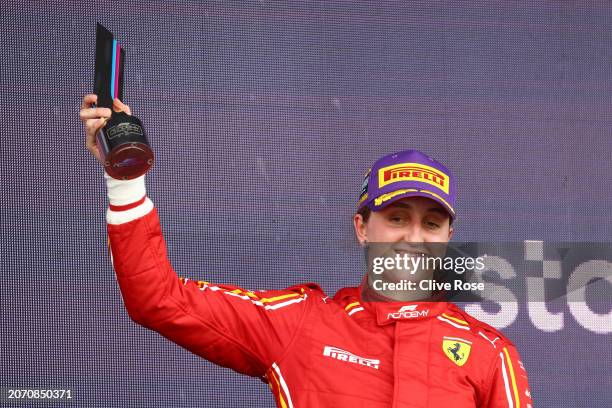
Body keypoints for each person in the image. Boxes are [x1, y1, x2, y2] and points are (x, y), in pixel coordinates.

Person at [80, 94, 533, 408]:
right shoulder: (302, 323)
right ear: (362, 228)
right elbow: (161, 301)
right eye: (396, 218)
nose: (413, 236)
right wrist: (126, 182)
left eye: (431, 224)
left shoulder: (490, 353)